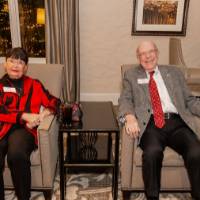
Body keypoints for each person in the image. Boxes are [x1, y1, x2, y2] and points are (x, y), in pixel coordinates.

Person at [118, 41, 200, 200]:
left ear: (157, 52)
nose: (147, 56)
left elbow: (190, 100)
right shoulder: (132, 75)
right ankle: (152, 197)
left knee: (196, 152)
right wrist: (129, 117)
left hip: (177, 123)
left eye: (150, 52)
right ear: (138, 57)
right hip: (151, 124)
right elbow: (125, 100)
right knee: (152, 153)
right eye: (142, 54)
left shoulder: (174, 72)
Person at [0, 47, 61, 200]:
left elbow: (54, 102)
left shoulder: (34, 85)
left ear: (26, 68)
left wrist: (41, 115)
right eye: (12, 61)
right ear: (5, 65)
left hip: (24, 130)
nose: (15, 65)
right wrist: (25, 115)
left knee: (16, 154)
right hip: (2, 128)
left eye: (20, 62)